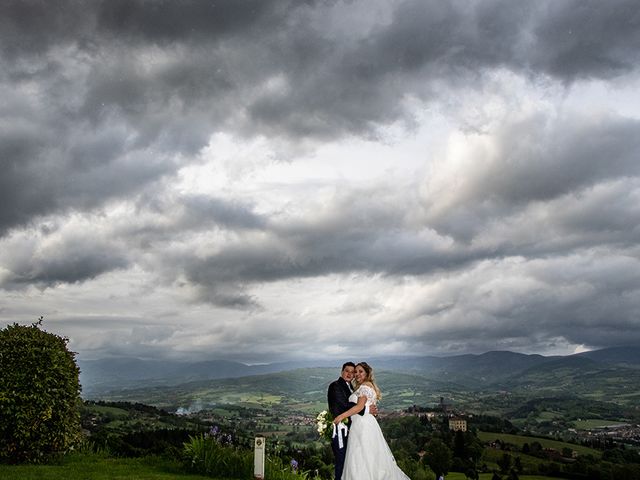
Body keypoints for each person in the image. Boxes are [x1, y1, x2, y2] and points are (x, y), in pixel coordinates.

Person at [333, 362, 410, 480]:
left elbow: (358, 407)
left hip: (362, 426)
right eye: (356, 372)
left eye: (360, 371)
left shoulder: (364, 387)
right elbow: (363, 406)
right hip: (364, 424)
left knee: (361, 458)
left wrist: (341, 417)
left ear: (367, 373)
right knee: (367, 458)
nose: (357, 374)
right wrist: (368, 409)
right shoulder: (363, 386)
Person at [327, 362, 378, 480]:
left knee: (353, 460)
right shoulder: (335, 386)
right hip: (340, 429)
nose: (350, 374)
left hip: (354, 429)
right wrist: (366, 409)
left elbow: (358, 404)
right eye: (347, 371)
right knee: (342, 461)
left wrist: (369, 410)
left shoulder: (353, 387)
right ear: (342, 372)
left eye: (352, 372)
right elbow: (345, 405)